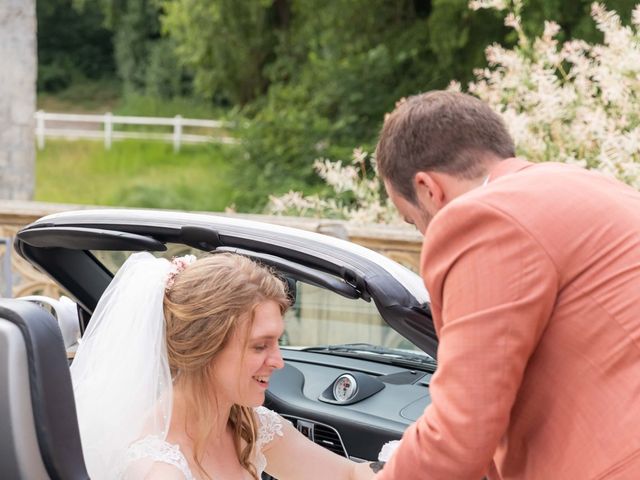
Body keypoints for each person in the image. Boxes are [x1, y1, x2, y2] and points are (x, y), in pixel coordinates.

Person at [372, 91, 640, 479]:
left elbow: (460, 432)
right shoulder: (596, 188)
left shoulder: (480, 217)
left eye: (413, 221)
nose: (423, 234)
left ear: (429, 189)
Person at [70, 251, 377, 480]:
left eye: (277, 342)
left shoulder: (248, 427)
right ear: (206, 346)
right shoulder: (158, 470)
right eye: (260, 346)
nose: (278, 361)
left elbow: (349, 475)